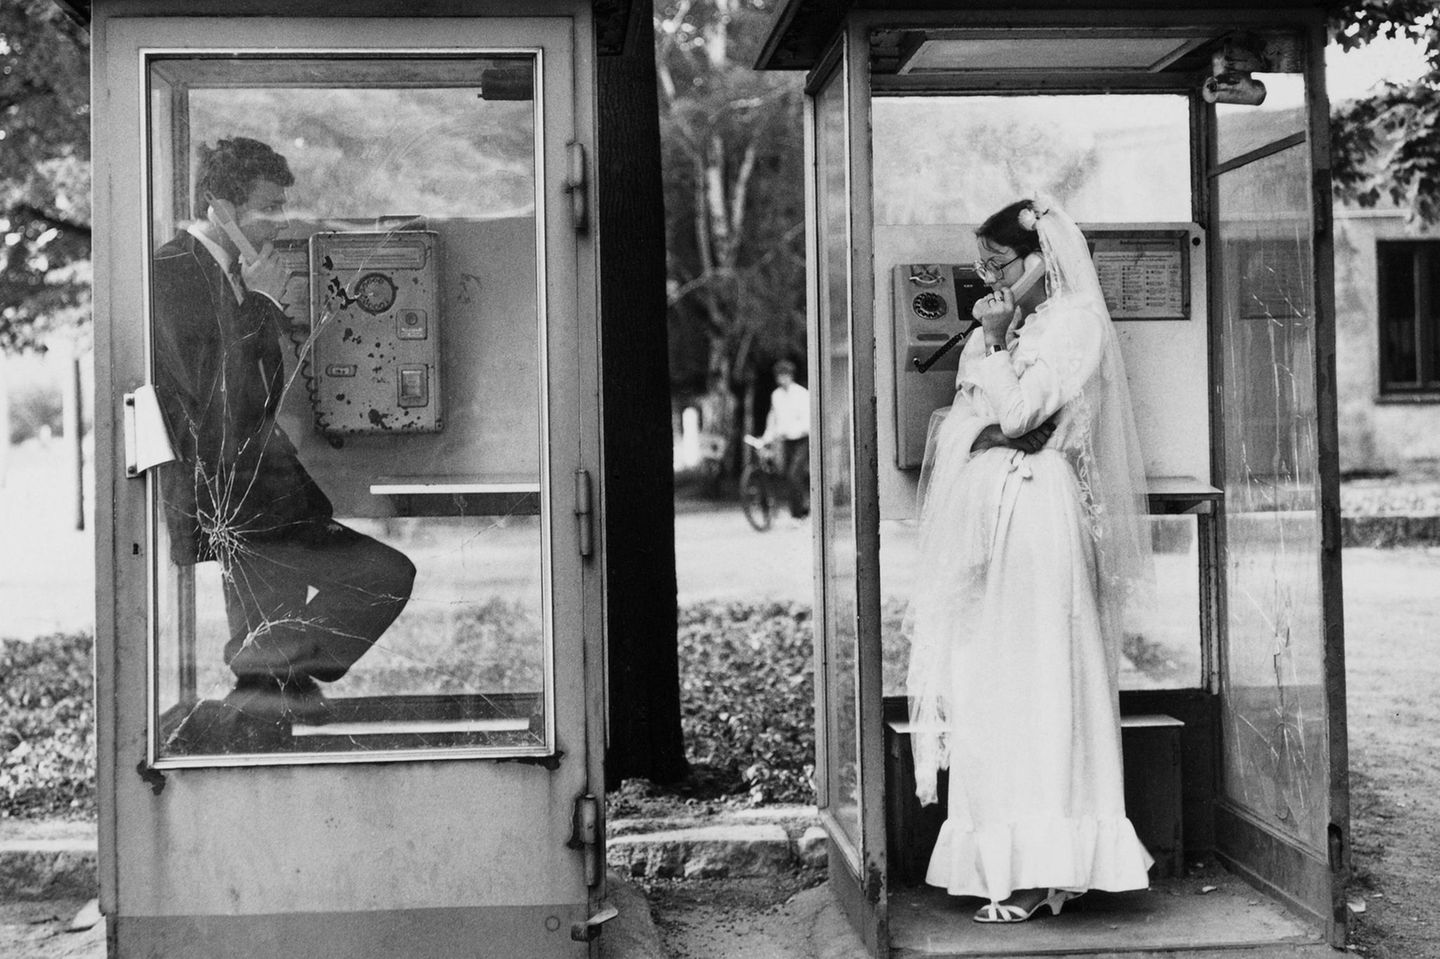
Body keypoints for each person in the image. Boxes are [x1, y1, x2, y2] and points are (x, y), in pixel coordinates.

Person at [905, 197, 1156, 922]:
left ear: (1041, 259)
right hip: (998, 514)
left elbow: (1016, 417)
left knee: (1042, 673)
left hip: (1037, 509)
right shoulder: (1027, 324)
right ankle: (1004, 855)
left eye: (1001, 263)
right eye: (982, 265)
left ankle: (1049, 859)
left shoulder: (1074, 323)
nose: (990, 276)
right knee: (992, 674)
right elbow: (972, 407)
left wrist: (988, 341)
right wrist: (994, 340)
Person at [152, 136, 416, 728]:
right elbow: (219, 396)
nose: (280, 225)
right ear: (222, 209)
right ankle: (260, 687)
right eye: (268, 208)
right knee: (380, 577)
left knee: (374, 581)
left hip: (264, 494)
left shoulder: (230, 274)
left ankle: (269, 683)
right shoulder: (174, 272)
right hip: (234, 495)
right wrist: (266, 302)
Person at [761, 359, 810, 519]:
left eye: (784, 375)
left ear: (790, 376)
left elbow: (806, 419)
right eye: (779, 376)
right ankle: (801, 507)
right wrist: (767, 436)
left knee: (794, 474)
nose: (782, 379)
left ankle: (796, 514)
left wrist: (795, 429)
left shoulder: (801, 393)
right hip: (786, 440)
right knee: (788, 476)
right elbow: (773, 417)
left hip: (801, 438)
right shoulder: (776, 396)